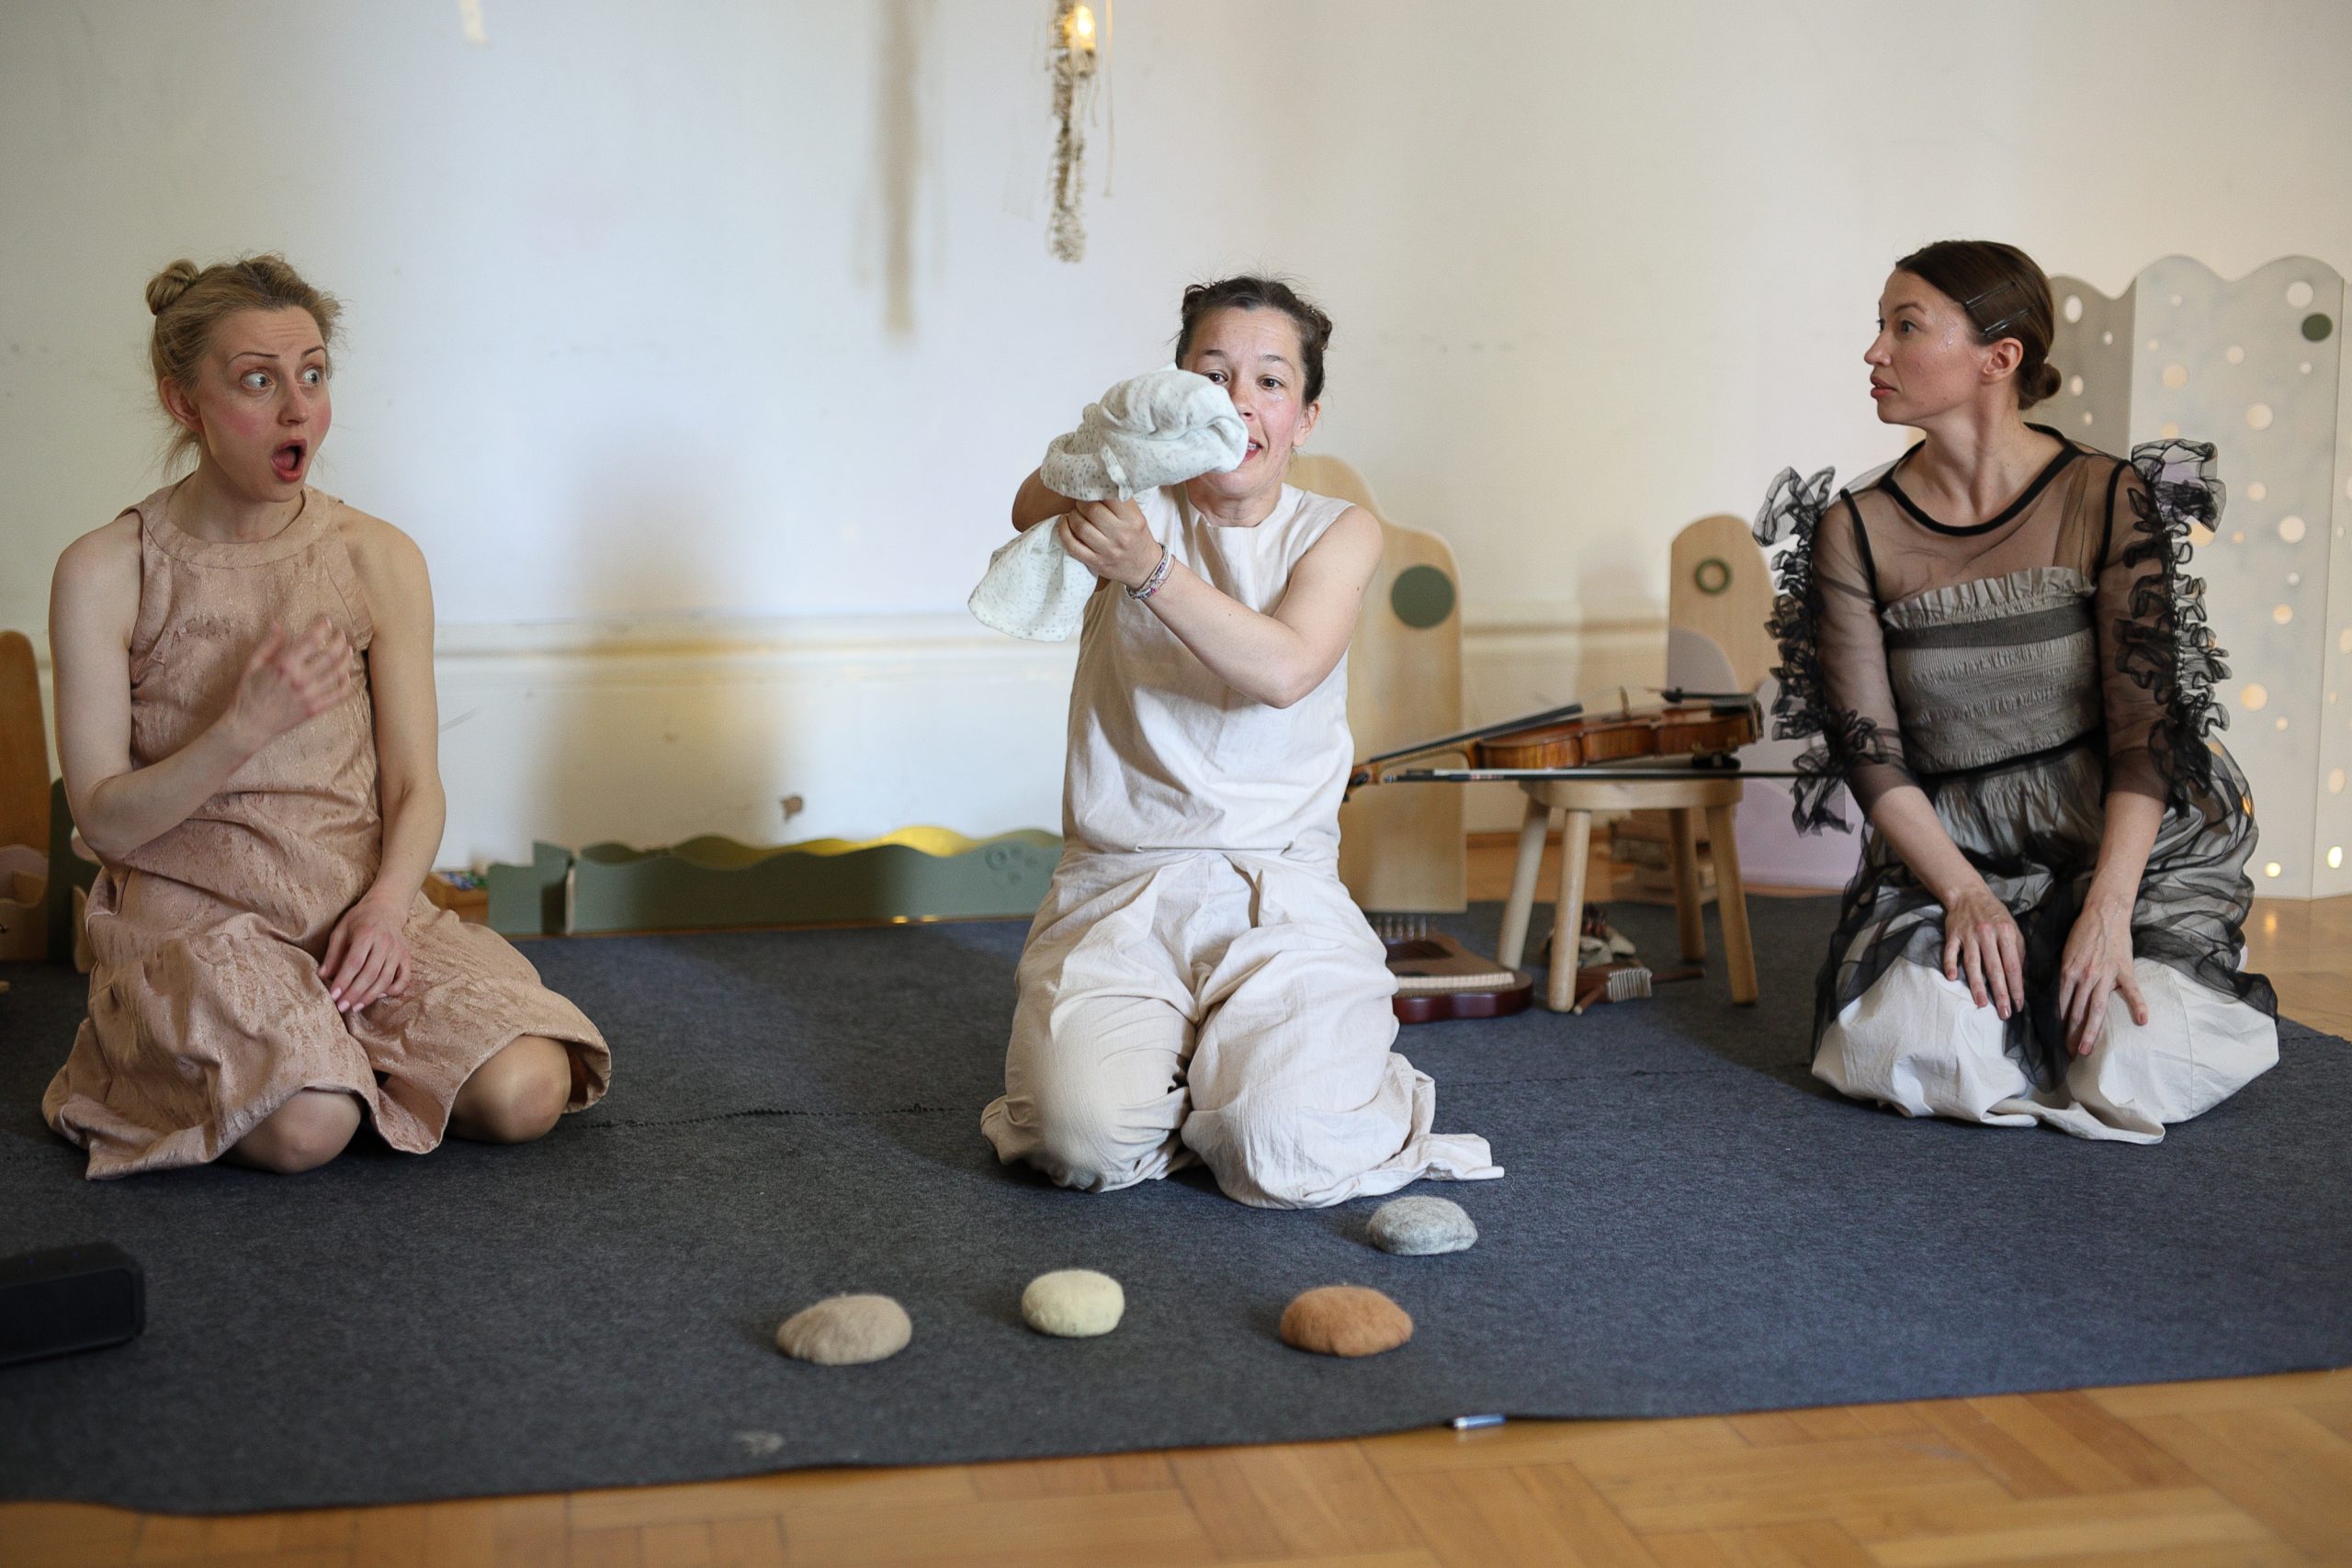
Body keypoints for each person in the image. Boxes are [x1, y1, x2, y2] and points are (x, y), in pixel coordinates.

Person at [43, 254, 610, 1178]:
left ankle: (338, 1046)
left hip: (354, 907)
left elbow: (416, 787)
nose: (297, 408)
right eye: (257, 381)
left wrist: (386, 909)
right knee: (309, 1128)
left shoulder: (376, 555)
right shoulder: (107, 570)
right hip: (201, 923)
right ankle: (309, 1066)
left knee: (525, 1092)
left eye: (312, 374)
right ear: (184, 403)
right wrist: (242, 728)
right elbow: (104, 821)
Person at [979, 276, 1500, 1205]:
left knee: (1280, 1143)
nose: (1239, 402)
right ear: (1178, 389)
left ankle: (1266, 1074)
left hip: (1280, 886)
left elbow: (1285, 669)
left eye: (1270, 381)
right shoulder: (1132, 502)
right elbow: (1028, 508)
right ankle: (1193, 1069)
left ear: (1305, 417)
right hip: (1121, 880)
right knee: (1078, 1142)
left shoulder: (1336, 530)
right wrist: (1120, 444)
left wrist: (1150, 572)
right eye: (1212, 375)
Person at [1756, 239, 2278, 1143]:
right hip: (1955, 849)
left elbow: (2146, 731)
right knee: (1916, 1044)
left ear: (1999, 358)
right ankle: (2010, 1021)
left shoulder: (2105, 496)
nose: (1874, 351)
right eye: (1880, 326)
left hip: (2114, 842)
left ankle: (2074, 1012)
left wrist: (2108, 911)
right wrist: (1964, 896)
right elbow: (1869, 751)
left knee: (2143, 1055)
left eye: (1904, 327)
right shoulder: (1855, 529)